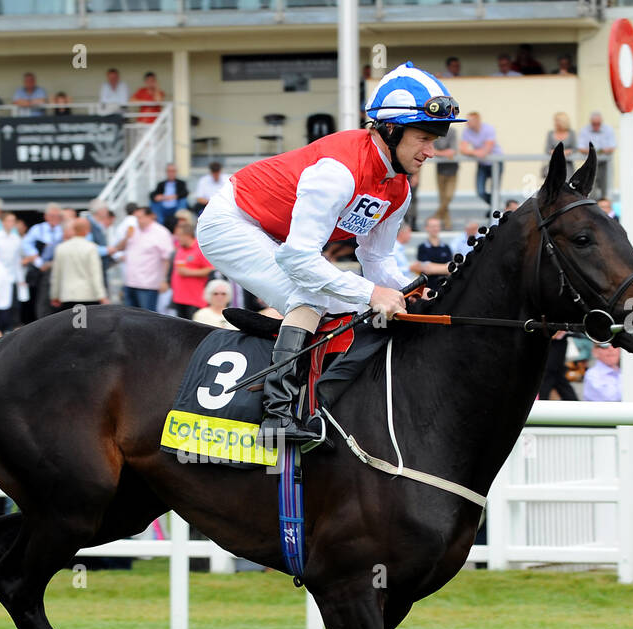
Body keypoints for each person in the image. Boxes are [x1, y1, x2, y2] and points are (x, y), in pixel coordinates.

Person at [196, 61, 455, 442]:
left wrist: (405, 289)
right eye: (424, 138)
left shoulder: (398, 188)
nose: (432, 151)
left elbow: (377, 259)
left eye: (438, 138)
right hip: (232, 222)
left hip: (278, 235)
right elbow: (298, 259)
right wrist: (373, 293)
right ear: (391, 129)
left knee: (346, 303)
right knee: (313, 295)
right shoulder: (339, 170)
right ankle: (277, 413)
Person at [109, 206, 172, 311]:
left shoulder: (161, 233)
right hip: (129, 282)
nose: (138, 220)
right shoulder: (132, 230)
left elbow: (166, 259)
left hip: (148, 284)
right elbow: (118, 248)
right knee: (129, 317)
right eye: (136, 217)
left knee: (147, 317)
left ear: (151, 216)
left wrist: (164, 280)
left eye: (140, 217)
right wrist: (126, 237)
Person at [169, 220, 213, 319]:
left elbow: (210, 270)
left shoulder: (199, 248)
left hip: (195, 299)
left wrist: (189, 272)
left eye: (179, 235)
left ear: (187, 235)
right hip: (179, 297)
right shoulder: (180, 248)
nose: (177, 238)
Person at [458, 111, 501, 207]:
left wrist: (473, 152)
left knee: (495, 190)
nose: (467, 123)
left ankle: (495, 209)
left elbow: (486, 150)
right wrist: (477, 153)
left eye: (469, 120)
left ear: (477, 121)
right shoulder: (466, 131)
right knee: (480, 191)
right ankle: (495, 207)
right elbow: (462, 149)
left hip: (496, 163)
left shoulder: (488, 129)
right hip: (482, 163)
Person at [577, 112, 615, 200]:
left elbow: (612, 147)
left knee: (606, 189)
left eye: (598, 124)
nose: (596, 126)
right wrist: (599, 151)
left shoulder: (608, 130)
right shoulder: (584, 130)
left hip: (605, 165)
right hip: (590, 165)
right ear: (591, 122)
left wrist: (593, 150)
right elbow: (581, 148)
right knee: (591, 191)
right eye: (594, 124)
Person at [431, 127, 458, 227]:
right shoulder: (434, 130)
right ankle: (447, 224)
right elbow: (432, 151)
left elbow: (453, 151)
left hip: (452, 169)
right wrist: (444, 154)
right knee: (442, 198)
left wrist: (439, 153)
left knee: (448, 196)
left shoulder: (452, 132)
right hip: (440, 168)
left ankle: (435, 217)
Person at [150, 164, 188, 230]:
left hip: (176, 207)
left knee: (183, 200)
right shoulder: (161, 184)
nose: (171, 173)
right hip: (163, 207)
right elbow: (152, 195)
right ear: (166, 172)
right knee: (153, 202)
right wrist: (160, 197)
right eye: (169, 171)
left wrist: (173, 197)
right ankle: (160, 225)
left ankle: (180, 222)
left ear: (176, 172)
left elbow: (185, 193)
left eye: (173, 171)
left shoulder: (181, 183)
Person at [544, 112, 575, 183]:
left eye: (557, 121)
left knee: (566, 187)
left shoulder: (571, 133)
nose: (555, 123)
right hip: (553, 165)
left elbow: (575, 149)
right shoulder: (550, 133)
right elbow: (547, 149)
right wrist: (555, 152)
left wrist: (567, 152)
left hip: (567, 166)